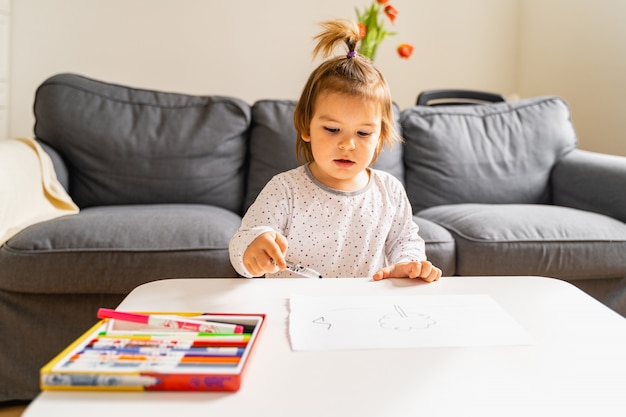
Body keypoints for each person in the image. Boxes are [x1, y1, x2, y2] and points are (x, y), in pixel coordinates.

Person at [229, 19, 442, 282]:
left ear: (380, 137)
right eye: (332, 129)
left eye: (363, 133)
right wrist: (253, 248)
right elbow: (242, 243)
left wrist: (409, 264)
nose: (347, 144)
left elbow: (406, 240)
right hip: (294, 309)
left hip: (363, 310)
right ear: (306, 127)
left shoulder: (390, 191)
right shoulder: (284, 189)